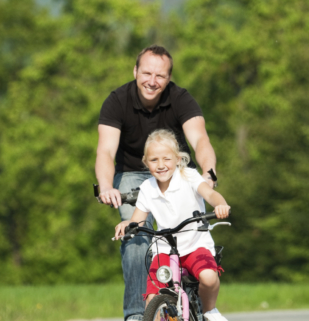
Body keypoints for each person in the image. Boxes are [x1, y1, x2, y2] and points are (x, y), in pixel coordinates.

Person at [95, 45, 218, 321]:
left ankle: (200, 302)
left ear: (169, 78)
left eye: (160, 76)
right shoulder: (117, 101)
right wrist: (106, 185)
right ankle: (138, 315)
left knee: (192, 231)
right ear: (135, 71)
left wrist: (209, 173)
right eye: (147, 72)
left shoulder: (181, 99)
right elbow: (105, 151)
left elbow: (200, 140)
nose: (152, 81)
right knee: (136, 237)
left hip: (176, 170)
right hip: (132, 173)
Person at [114, 129, 230, 321]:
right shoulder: (147, 188)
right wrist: (128, 224)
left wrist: (220, 204)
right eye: (154, 160)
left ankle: (210, 310)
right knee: (153, 297)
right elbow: (138, 219)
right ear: (145, 163)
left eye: (166, 159)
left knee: (209, 277)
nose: (161, 165)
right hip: (165, 249)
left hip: (195, 244)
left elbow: (209, 194)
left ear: (177, 159)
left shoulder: (189, 176)